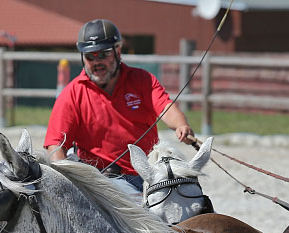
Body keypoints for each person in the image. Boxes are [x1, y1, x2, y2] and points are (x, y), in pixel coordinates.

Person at [44, 19, 195, 192]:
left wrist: (181, 124)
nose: (96, 62)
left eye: (103, 54)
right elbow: (56, 145)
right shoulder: (71, 93)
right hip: (97, 181)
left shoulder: (143, 80)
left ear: (118, 50)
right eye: (90, 56)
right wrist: (64, 183)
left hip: (146, 176)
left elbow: (165, 107)